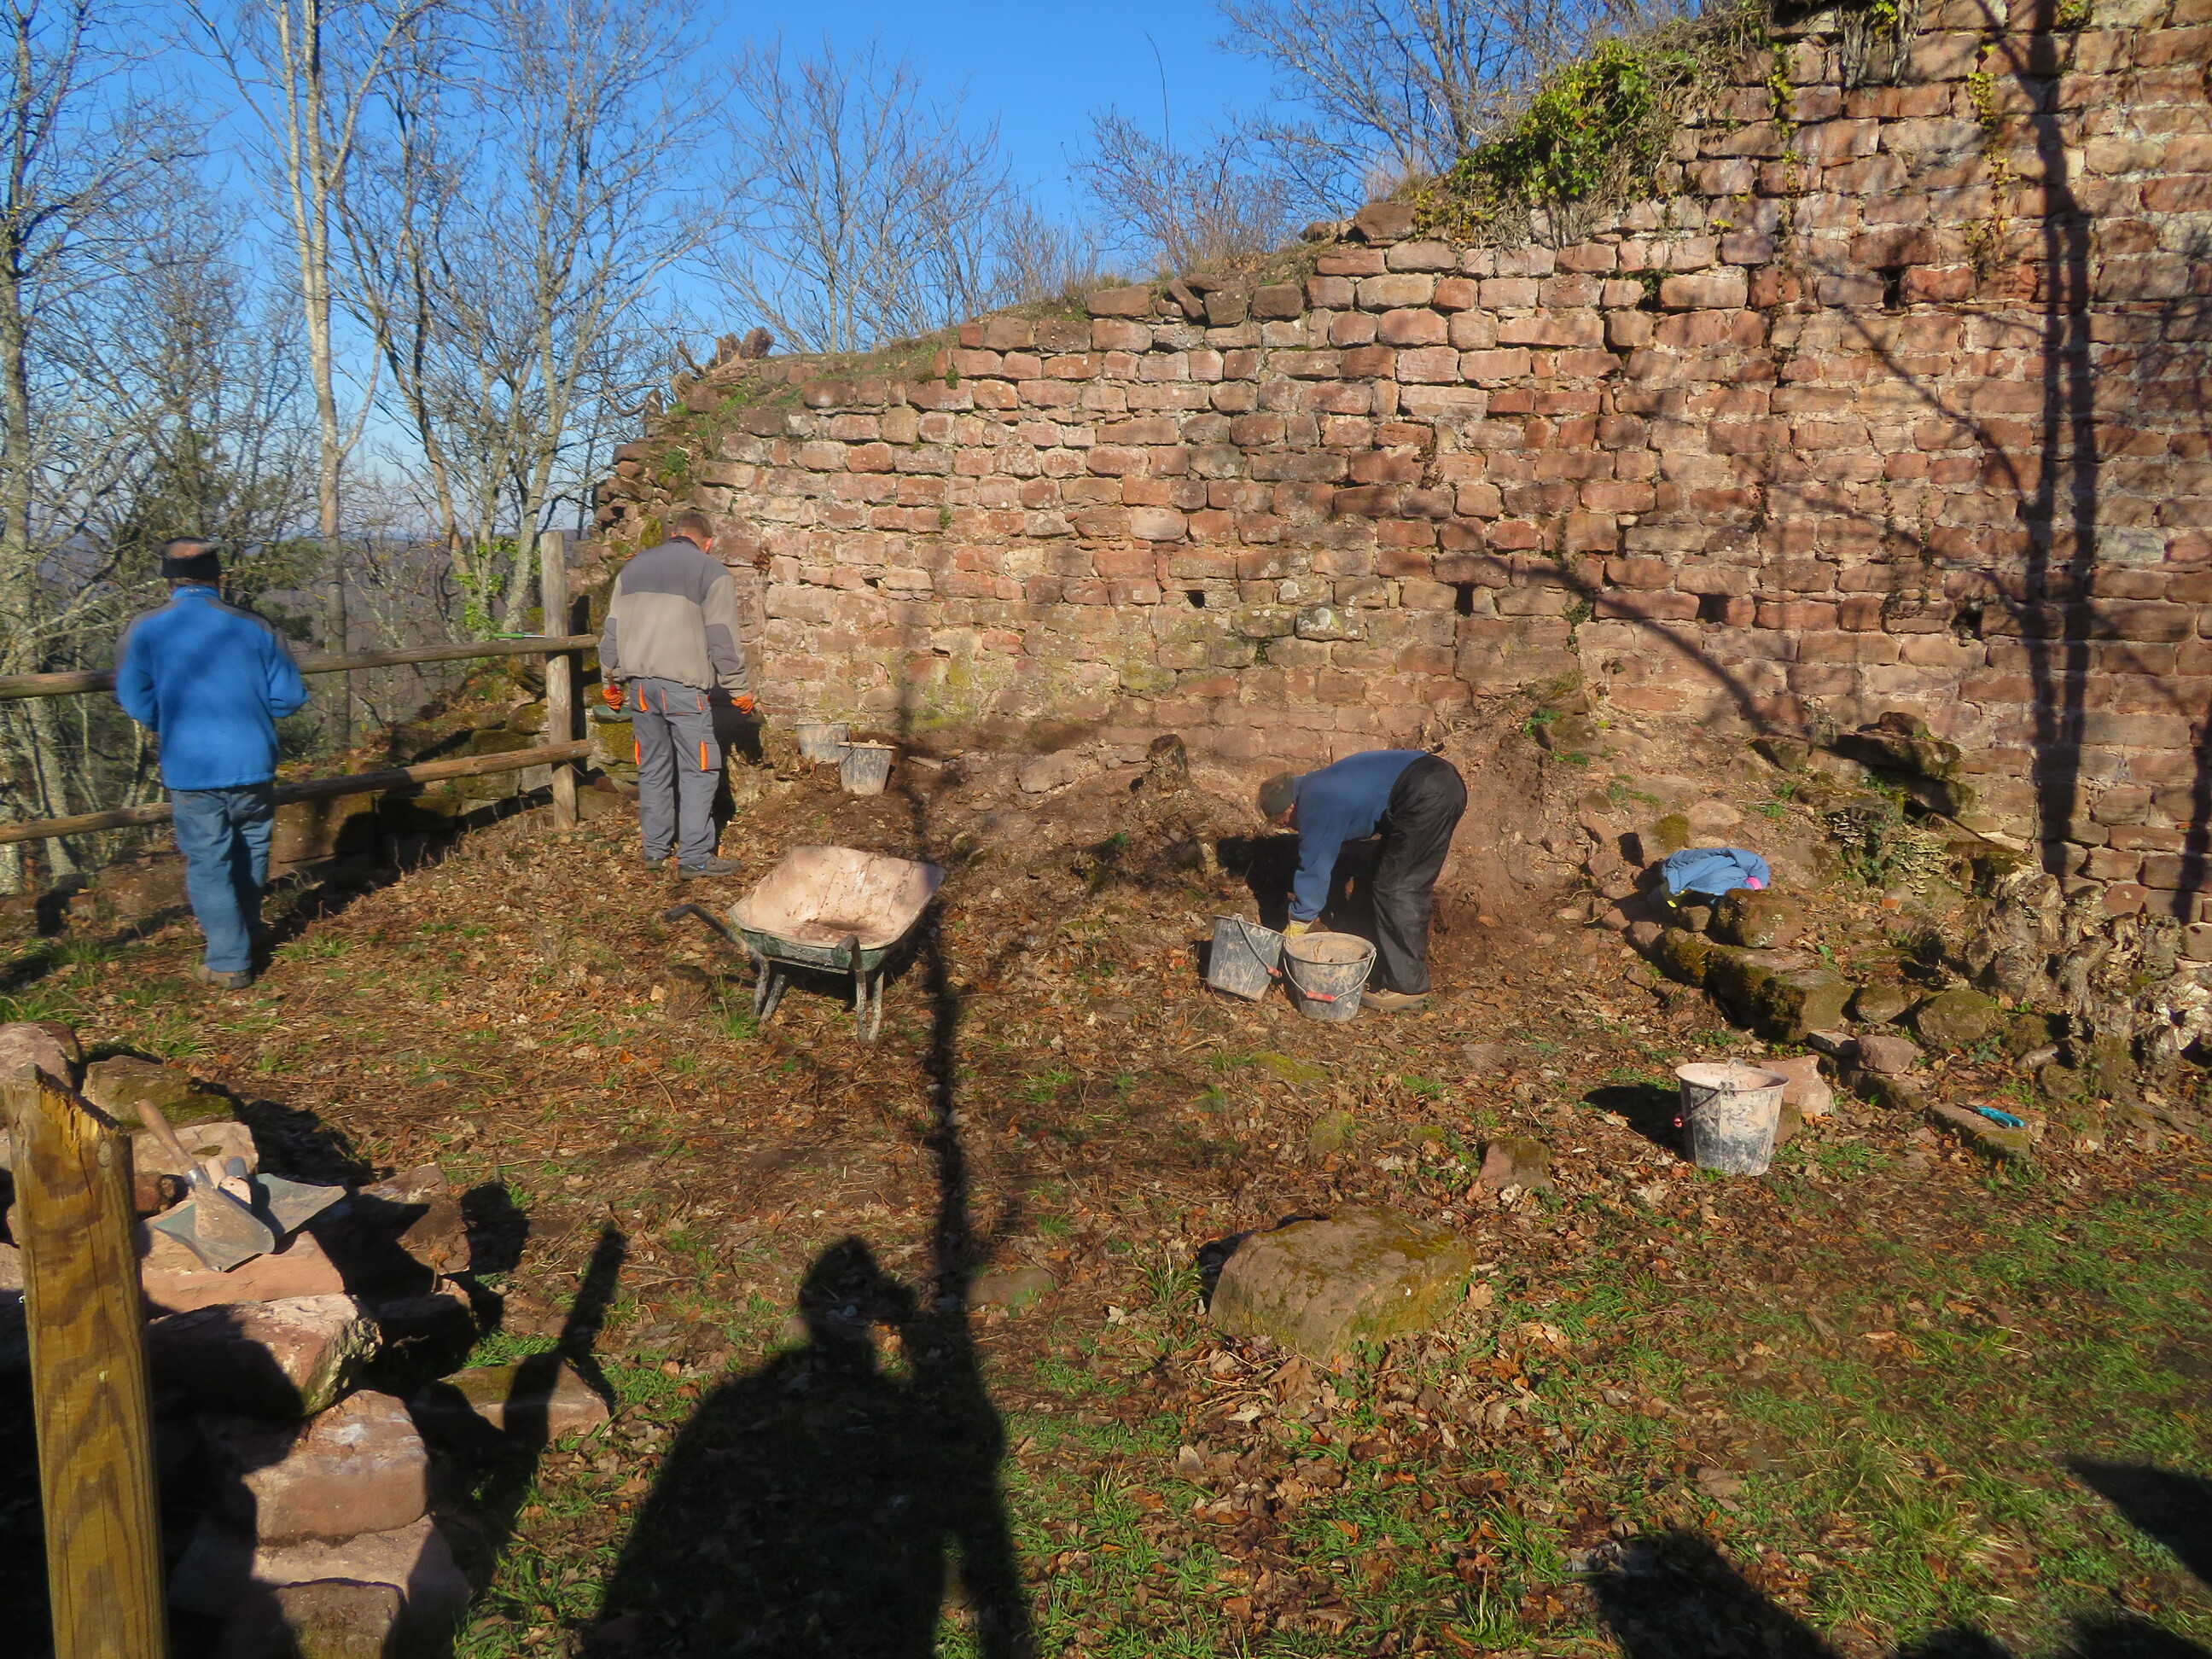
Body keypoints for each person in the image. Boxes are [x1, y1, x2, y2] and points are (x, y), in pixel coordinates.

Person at [115, 539, 310, 991]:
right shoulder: (257, 625)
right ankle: (250, 931)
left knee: (208, 860)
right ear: (218, 579)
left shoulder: (144, 628)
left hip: (191, 764)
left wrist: (172, 723)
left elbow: (133, 698)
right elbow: (288, 697)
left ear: (168, 583)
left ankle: (228, 962)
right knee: (251, 848)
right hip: (253, 757)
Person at [598, 509, 754, 879]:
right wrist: (738, 687)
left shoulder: (632, 569)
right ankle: (695, 857)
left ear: (674, 535)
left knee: (652, 766)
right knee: (699, 769)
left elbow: (612, 631)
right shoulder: (711, 570)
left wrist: (609, 681)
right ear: (708, 542)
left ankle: (654, 850)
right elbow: (722, 636)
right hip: (683, 688)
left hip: (639, 688)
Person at [1257, 749, 1468, 1013]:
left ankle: (1407, 988)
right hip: (1438, 782)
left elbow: (1314, 868)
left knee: (1398, 886)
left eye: (1285, 822)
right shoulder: (1321, 785)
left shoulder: (1314, 803)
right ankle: (1377, 966)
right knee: (1377, 878)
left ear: (1290, 806)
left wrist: (1298, 923)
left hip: (1425, 791)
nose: (1292, 828)